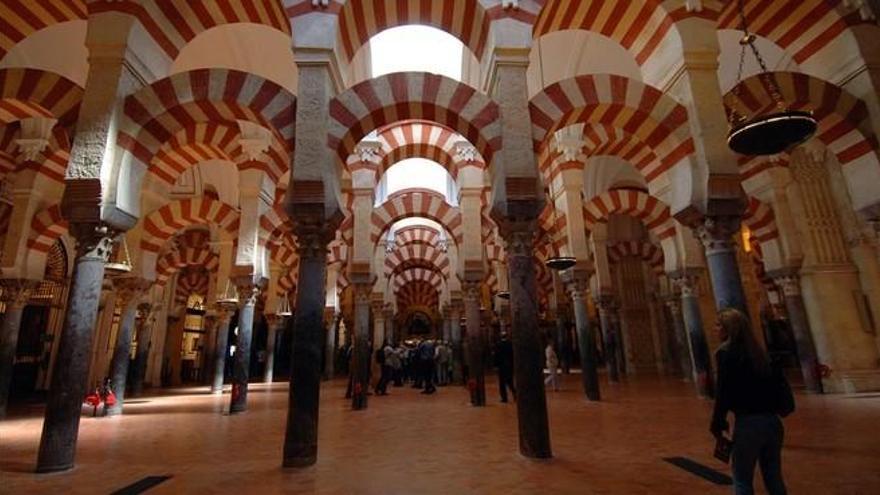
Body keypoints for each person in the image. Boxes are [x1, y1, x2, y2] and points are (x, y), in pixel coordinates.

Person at [711, 307, 793, 495]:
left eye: (717, 325)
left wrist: (717, 423)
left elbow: (723, 392)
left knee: (742, 480)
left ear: (727, 329)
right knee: (773, 477)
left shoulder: (726, 353)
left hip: (748, 424)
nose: (714, 329)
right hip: (773, 423)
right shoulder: (762, 354)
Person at [494, 332, 516, 402]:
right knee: (510, 381)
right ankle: (515, 393)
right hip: (509, 366)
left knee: (502, 383)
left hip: (502, 366)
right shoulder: (510, 344)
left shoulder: (498, 345)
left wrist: (496, 365)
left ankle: (504, 398)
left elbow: (497, 356)